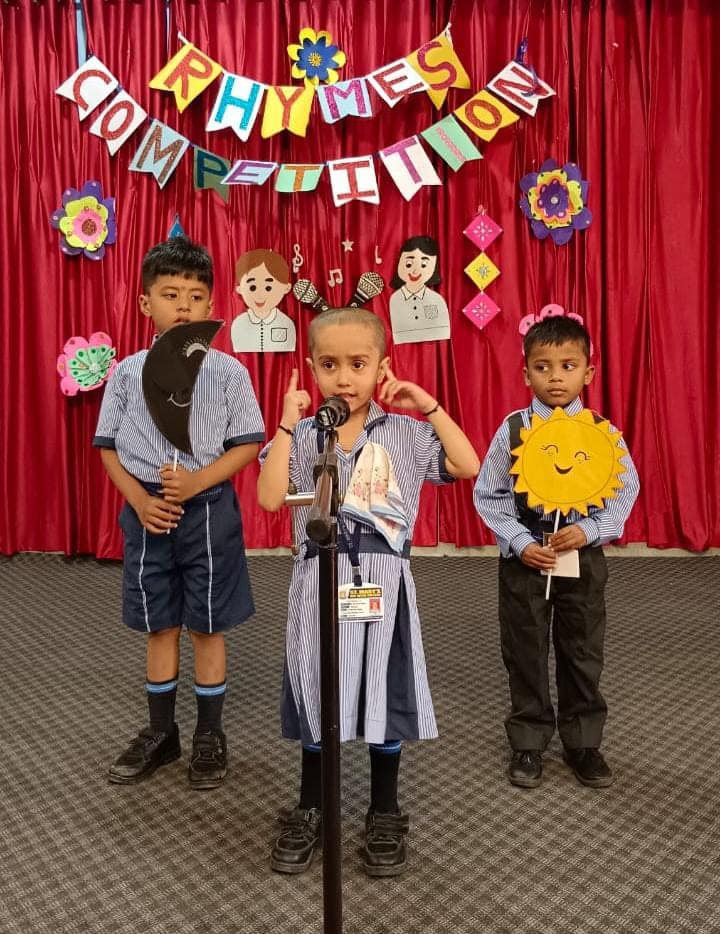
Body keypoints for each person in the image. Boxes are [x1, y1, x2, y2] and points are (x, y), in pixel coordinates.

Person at [257, 307, 479, 876]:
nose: (343, 378)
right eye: (329, 365)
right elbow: (269, 497)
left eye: (358, 364)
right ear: (312, 369)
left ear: (382, 366)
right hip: (316, 580)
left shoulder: (405, 432)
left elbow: (466, 463)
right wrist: (286, 424)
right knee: (317, 689)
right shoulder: (305, 435)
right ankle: (311, 806)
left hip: (382, 582)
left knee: (383, 686)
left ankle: (384, 808)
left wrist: (428, 405)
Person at [93, 236, 265, 790]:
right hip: (148, 512)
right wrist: (140, 501)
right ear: (146, 303)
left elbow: (247, 443)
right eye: (171, 295)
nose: (184, 307)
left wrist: (197, 481)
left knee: (207, 626)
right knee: (159, 623)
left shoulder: (229, 373)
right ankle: (161, 732)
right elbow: (107, 447)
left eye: (195, 296)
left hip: (208, 509)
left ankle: (209, 733)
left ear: (212, 304)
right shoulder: (126, 373)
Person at [473, 315, 639, 790]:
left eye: (568, 366)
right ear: (526, 373)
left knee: (582, 646)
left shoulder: (602, 433)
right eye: (543, 367)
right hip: (527, 557)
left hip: (581, 555)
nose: (556, 377)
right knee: (524, 646)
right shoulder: (513, 430)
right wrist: (521, 543)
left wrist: (589, 530)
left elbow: (625, 490)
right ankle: (528, 739)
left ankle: (583, 740)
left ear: (588, 372)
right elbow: (490, 495)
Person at [230, 248, 295, 352]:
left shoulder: (286, 323)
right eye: (252, 287)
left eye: (268, 288)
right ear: (240, 289)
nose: (260, 295)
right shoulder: (238, 324)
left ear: (286, 288)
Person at [388, 235, 450, 345]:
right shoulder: (395, 299)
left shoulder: (437, 300)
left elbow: (442, 331)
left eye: (424, 265)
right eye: (408, 264)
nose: (415, 271)